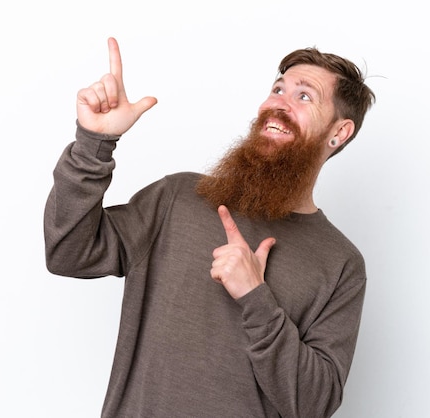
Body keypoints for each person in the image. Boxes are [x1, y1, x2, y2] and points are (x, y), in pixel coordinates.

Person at [44, 37, 375, 418]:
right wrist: (95, 143)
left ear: (340, 132)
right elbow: (67, 253)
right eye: (278, 88)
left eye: (305, 97)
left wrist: (256, 298)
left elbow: (314, 404)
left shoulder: (341, 264)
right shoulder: (179, 197)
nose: (278, 103)